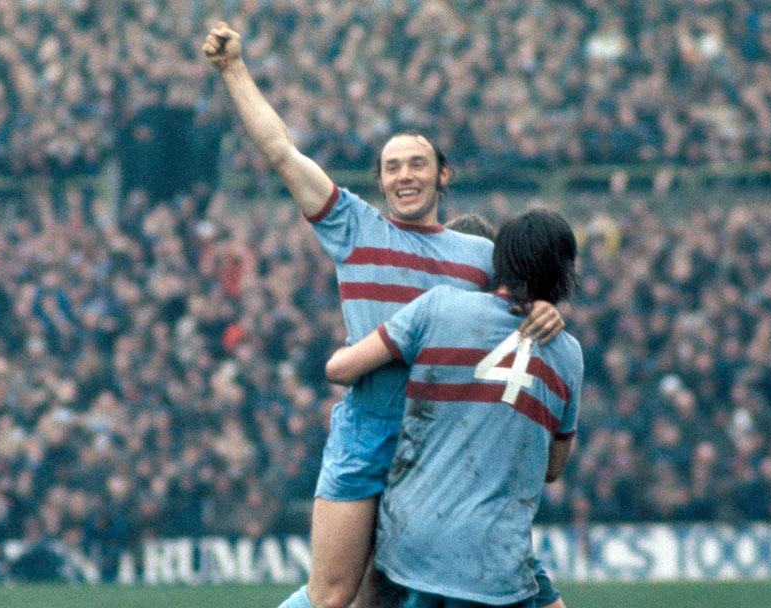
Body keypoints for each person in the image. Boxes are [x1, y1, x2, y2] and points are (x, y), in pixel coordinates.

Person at [202, 22, 566, 608]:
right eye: (393, 167)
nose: (405, 176)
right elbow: (280, 152)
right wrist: (233, 70)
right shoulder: (354, 227)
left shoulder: (481, 255)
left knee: (387, 595)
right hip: (368, 428)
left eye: (417, 164)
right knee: (333, 596)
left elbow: (524, 307)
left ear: (442, 175)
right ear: (379, 181)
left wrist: (550, 310)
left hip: (442, 440)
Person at [326, 209, 583, 607]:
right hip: (494, 552)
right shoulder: (567, 354)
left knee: (339, 598)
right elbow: (553, 468)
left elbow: (338, 368)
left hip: (410, 538)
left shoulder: (438, 308)